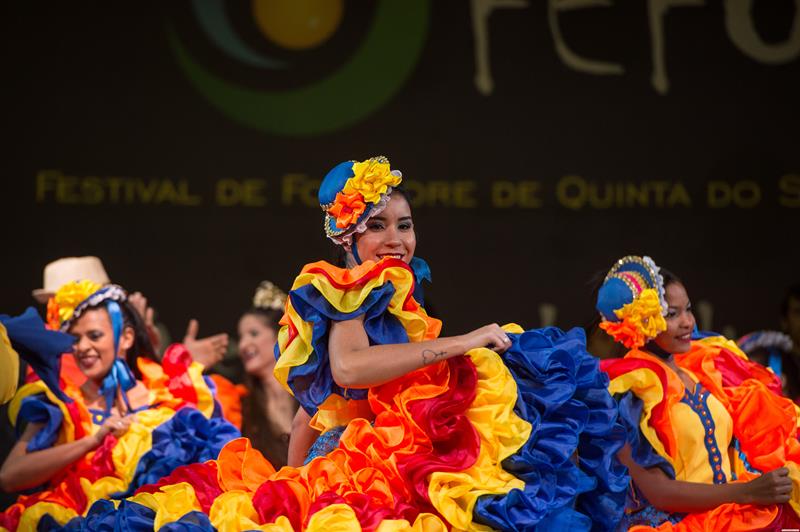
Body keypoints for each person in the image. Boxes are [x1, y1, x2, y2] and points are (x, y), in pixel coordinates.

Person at [0, 281, 239, 531]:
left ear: (126, 338)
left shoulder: (167, 394)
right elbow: (9, 476)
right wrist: (92, 441)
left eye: (94, 336)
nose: (82, 347)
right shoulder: (65, 404)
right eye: (75, 339)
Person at [597, 256, 800, 530]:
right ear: (642, 320)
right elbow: (659, 492)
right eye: (672, 314)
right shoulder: (628, 390)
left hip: (730, 514)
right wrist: (745, 492)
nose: (688, 322)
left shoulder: (701, 368)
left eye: (688, 310)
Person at [237, 281, 298, 467]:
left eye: (253, 334)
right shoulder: (241, 406)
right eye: (240, 337)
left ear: (280, 336)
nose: (243, 345)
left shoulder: (312, 393)